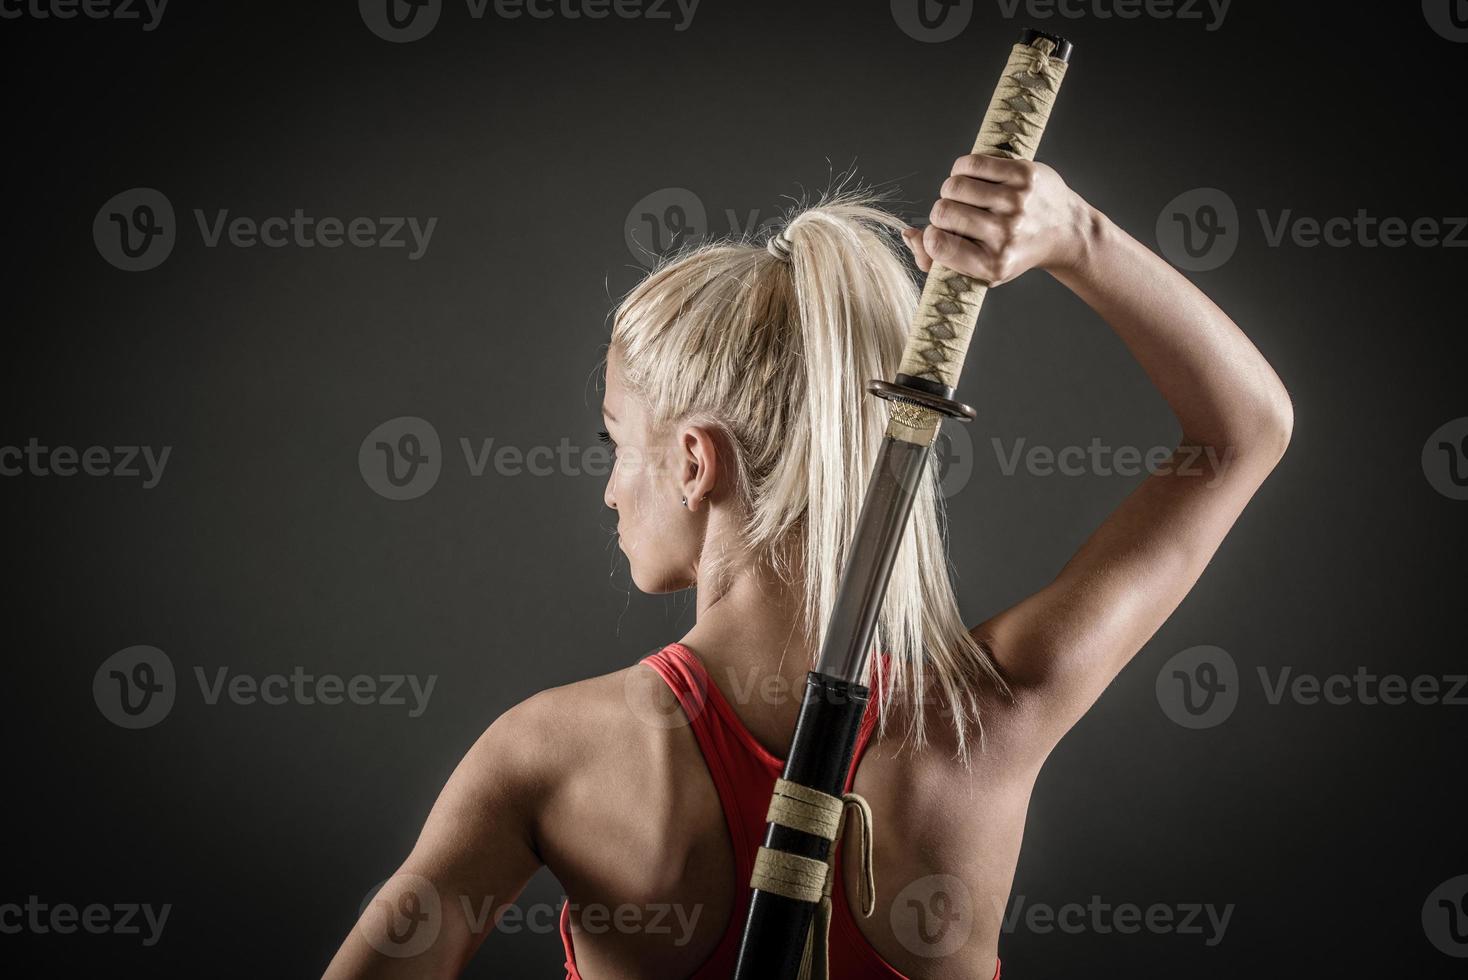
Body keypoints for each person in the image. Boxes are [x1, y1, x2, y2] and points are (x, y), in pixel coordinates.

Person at [325, 155, 1292, 979]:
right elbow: (1246, 428)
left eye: (616, 441)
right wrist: (1079, 236)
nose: (609, 491)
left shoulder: (547, 757)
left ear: (695, 462)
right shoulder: (988, 717)